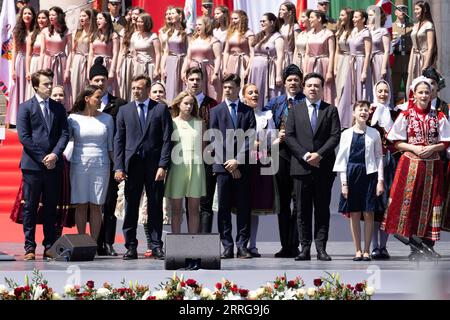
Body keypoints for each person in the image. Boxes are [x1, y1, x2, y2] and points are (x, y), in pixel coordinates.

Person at [382, 77, 450, 260]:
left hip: (432, 167)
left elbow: (446, 140)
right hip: (410, 165)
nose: (424, 95)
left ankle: (428, 245)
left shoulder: (439, 115)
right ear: (414, 94)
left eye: (427, 92)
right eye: (421, 92)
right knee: (411, 203)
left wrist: (432, 148)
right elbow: (394, 141)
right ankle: (414, 246)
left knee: (432, 203)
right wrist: (414, 148)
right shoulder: (406, 115)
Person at [114, 75, 173, 260]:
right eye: (133, 88)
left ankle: (156, 246)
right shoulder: (124, 110)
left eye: (139, 88)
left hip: (154, 166)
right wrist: (118, 166)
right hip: (132, 166)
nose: (136, 91)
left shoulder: (161, 109)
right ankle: (130, 246)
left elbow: (166, 139)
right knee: (131, 206)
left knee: (155, 206)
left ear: (147, 89)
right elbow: (119, 140)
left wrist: (163, 165)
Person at [285, 72, 340, 261]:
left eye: (317, 86)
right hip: (301, 167)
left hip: (323, 168)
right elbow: (290, 137)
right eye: (309, 85)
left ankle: (321, 248)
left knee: (322, 209)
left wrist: (319, 154)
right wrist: (305, 155)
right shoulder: (294, 110)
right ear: (303, 87)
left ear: (322, 88)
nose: (313, 89)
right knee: (302, 210)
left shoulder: (330, 110)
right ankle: (305, 248)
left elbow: (335, 136)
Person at [16, 69, 69, 261]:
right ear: (36, 86)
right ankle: (30, 246)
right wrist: (43, 157)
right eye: (46, 84)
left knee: (50, 207)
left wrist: (55, 155)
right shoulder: (25, 108)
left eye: (50, 83)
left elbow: (65, 133)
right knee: (30, 207)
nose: (50, 86)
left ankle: (49, 245)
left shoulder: (58, 108)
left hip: (53, 166)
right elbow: (24, 137)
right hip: (33, 166)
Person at [210, 74, 256, 259]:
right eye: (225, 87)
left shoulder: (247, 110)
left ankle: (242, 245)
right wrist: (229, 164)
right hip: (222, 167)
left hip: (243, 167)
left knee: (244, 207)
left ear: (238, 88)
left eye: (231, 87)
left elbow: (250, 137)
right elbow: (214, 138)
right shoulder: (216, 111)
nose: (227, 90)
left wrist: (237, 160)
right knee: (224, 208)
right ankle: (227, 245)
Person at [334, 100, 384, 261]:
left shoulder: (374, 133)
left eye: (366, 110)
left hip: (369, 174)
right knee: (354, 213)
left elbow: (379, 157)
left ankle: (367, 250)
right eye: (360, 110)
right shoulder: (346, 134)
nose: (363, 112)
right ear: (354, 113)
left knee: (369, 213)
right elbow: (342, 160)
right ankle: (357, 250)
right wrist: (344, 184)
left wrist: (380, 180)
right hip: (351, 174)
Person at [265, 64, 305, 258]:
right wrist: (275, 135)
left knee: (298, 203)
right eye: (290, 80)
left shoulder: (306, 102)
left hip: (299, 157)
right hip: (280, 155)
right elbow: (263, 125)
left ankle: (294, 244)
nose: (293, 83)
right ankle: (284, 245)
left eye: (296, 80)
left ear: (301, 82)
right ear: (284, 82)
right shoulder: (275, 103)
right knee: (283, 202)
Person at [89, 57, 126, 257]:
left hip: (111, 161)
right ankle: (94, 242)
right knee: (93, 205)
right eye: (96, 80)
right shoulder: (84, 104)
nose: (100, 84)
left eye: (103, 80)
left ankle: (109, 242)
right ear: (90, 82)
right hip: (91, 161)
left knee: (109, 204)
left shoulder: (119, 104)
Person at [68, 86, 114, 243]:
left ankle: (93, 244)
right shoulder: (73, 118)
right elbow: (66, 142)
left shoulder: (107, 119)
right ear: (87, 99)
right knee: (81, 204)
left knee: (96, 205)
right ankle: (82, 241)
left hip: (101, 165)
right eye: (97, 97)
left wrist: (118, 167)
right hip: (79, 164)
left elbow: (110, 147)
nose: (101, 100)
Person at [242, 83, 277, 257]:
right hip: (241, 161)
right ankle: (240, 243)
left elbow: (273, 138)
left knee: (254, 206)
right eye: (250, 92)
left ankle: (252, 244)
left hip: (259, 162)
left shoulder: (266, 116)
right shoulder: (240, 114)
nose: (254, 95)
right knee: (241, 205)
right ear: (244, 96)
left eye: (256, 92)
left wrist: (262, 143)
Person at [165, 92, 206, 234]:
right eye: (186, 103)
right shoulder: (171, 122)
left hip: (196, 167)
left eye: (191, 104)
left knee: (194, 209)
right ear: (178, 104)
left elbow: (204, 148)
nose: (189, 106)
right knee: (176, 209)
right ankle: (176, 243)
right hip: (177, 167)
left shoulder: (200, 123)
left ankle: (193, 243)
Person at [185, 67, 218, 233]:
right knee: (189, 203)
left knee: (205, 203)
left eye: (198, 79)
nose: (195, 83)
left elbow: (217, 134)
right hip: (185, 161)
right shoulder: (179, 104)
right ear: (186, 80)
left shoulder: (213, 105)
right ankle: (191, 240)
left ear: (203, 81)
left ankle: (204, 242)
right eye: (192, 79)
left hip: (206, 160)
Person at [248, 13, 284, 109]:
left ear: (272, 22)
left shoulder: (277, 37)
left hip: (268, 71)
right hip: (256, 71)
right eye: (260, 21)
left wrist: (278, 75)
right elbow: (252, 54)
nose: (262, 23)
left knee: (267, 93)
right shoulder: (259, 36)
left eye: (264, 21)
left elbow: (280, 56)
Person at [7, 5, 35, 127]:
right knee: (19, 90)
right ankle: (18, 119)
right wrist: (12, 68)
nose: (27, 16)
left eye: (29, 13)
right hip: (20, 61)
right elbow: (13, 50)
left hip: (33, 61)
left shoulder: (37, 30)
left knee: (30, 89)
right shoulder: (17, 31)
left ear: (33, 16)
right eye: (25, 13)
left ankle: (31, 118)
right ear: (21, 16)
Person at [39, 6, 72, 111]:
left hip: (61, 61)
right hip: (48, 61)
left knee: (61, 86)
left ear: (59, 16)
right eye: (50, 15)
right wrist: (40, 68)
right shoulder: (45, 31)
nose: (51, 17)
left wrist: (68, 69)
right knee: (47, 85)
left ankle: (63, 111)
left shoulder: (67, 31)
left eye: (53, 15)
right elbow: (42, 51)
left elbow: (71, 52)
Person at [182, 16, 222, 101]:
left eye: (200, 24)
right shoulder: (193, 41)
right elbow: (188, 58)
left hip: (208, 71)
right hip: (193, 70)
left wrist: (216, 74)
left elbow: (218, 58)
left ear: (206, 26)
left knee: (211, 95)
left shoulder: (214, 41)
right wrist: (183, 71)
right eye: (196, 25)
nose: (197, 27)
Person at [304, 10, 336, 105]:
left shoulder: (328, 34)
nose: (309, 20)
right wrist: (305, 70)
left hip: (323, 64)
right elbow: (307, 53)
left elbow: (332, 52)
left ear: (319, 18)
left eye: (312, 17)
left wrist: (330, 71)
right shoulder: (309, 34)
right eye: (309, 17)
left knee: (325, 88)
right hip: (311, 63)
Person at [406, 1, 437, 91]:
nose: (415, 11)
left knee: (423, 83)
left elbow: (431, 47)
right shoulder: (415, 25)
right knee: (412, 83)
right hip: (414, 57)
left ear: (425, 9)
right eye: (414, 9)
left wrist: (426, 65)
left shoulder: (429, 25)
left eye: (417, 9)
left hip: (424, 56)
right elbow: (413, 44)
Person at [88, 12, 120, 97]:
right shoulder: (93, 35)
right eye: (97, 19)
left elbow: (115, 53)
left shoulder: (113, 35)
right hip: (95, 63)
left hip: (107, 64)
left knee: (108, 88)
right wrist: (89, 69)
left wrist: (112, 70)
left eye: (100, 18)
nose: (97, 21)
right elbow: (91, 54)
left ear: (106, 20)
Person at [162, 7, 188, 103]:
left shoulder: (186, 32)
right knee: (170, 87)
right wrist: (163, 68)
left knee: (181, 88)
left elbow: (189, 52)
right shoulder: (170, 32)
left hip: (181, 61)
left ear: (180, 15)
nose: (170, 16)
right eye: (170, 14)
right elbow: (166, 51)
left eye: (173, 13)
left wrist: (185, 69)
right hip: (170, 62)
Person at [69, 9, 96, 100]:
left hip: (88, 60)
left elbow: (92, 52)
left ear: (90, 18)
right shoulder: (77, 32)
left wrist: (89, 68)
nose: (81, 18)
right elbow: (72, 50)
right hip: (77, 60)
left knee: (86, 85)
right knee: (75, 85)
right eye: (80, 16)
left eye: (84, 16)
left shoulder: (93, 33)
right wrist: (71, 65)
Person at [367, 6, 392, 104]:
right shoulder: (367, 30)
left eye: (371, 15)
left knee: (380, 85)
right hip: (369, 60)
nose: (369, 17)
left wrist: (383, 68)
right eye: (368, 15)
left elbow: (387, 50)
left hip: (379, 59)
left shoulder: (383, 31)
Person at [348, 9, 373, 104]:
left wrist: (364, 71)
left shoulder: (366, 33)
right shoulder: (353, 31)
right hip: (352, 62)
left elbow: (367, 54)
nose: (353, 19)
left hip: (361, 62)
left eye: (356, 17)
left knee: (362, 88)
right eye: (353, 17)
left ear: (363, 19)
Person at [222, 10, 254, 85]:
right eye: (232, 19)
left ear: (242, 19)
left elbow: (252, 53)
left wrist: (248, 69)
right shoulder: (230, 32)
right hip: (231, 62)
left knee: (243, 85)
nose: (233, 21)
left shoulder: (249, 33)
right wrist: (224, 67)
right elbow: (226, 51)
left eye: (236, 18)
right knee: (230, 84)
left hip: (243, 62)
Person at [334, 8, 354, 128]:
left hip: (351, 60)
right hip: (341, 61)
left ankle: (348, 119)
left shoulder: (354, 31)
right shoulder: (340, 31)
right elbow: (337, 51)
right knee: (339, 90)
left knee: (348, 90)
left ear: (348, 17)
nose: (340, 17)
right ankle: (339, 117)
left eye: (342, 15)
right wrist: (335, 67)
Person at [25, 9, 49, 100]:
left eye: (43, 18)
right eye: (39, 18)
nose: (41, 20)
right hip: (35, 62)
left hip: (47, 62)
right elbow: (28, 54)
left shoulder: (50, 34)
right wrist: (27, 71)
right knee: (34, 88)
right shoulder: (32, 35)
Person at [391, 4, 413, 103]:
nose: (402, 12)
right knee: (394, 87)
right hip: (396, 59)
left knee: (409, 87)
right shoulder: (391, 27)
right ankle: (393, 111)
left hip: (408, 59)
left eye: (404, 10)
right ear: (395, 12)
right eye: (400, 10)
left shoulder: (412, 27)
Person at [132, 13, 161, 84]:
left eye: (141, 22)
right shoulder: (135, 35)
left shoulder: (153, 36)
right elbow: (134, 53)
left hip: (150, 66)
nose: (138, 24)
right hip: (138, 66)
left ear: (147, 23)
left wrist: (156, 69)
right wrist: (135, 64)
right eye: (137, 21)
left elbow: (158, 54)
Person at [278, 1, 300, 67]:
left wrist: (294, 61)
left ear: (290, 12)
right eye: (280, 9)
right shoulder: (279, 26)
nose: (280, 11)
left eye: (283, 10)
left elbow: (297, 46)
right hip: (279, 57)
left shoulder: (295, 26)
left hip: (290, 57)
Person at [293, 9, 312, 73]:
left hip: (308, 63)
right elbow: (296, 49)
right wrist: (294, 64)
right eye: (301, 17)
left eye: (303, 17)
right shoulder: (301, 34)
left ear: (310, 19)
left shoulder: (313, 34)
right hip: (298, 62)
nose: (301, 20)